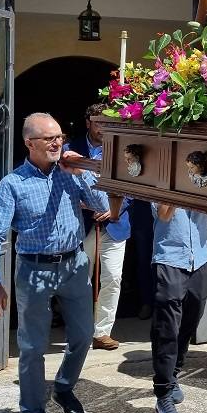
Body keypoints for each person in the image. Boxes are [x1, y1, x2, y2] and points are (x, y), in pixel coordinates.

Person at [0, 112, 110, 413]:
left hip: (74, 265)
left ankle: (64, 389)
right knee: (33, 346)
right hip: (33, 268)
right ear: (29, 143)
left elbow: (102, 205)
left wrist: (81, 171)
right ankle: (33, 409)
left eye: (60, 137)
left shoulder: (70, 174)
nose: (57, 143)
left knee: (83, 335)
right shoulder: (13, 184)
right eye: (49, 138)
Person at [67, 103, 132, 351]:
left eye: (107, 121)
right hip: (83, 224)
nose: (102, 126)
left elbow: (135, 187)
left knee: (113, 278)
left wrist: (116, 207)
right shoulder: (71, 149)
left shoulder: (123, 148)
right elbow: (60, 183)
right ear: (88, 123)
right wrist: (80, 202)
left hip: (115, 223)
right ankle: (81, 329)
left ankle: (102, 331)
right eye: (97, 121)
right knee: (81, 278)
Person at [150, 202, 207, 413]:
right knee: (167, 327)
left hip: (200, 256)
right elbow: (164, 214)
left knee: (192, 318)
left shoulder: (204, 175)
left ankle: (173, 374)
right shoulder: (163, 175)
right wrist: (180, 189)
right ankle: (163, 393)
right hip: (169, 256)